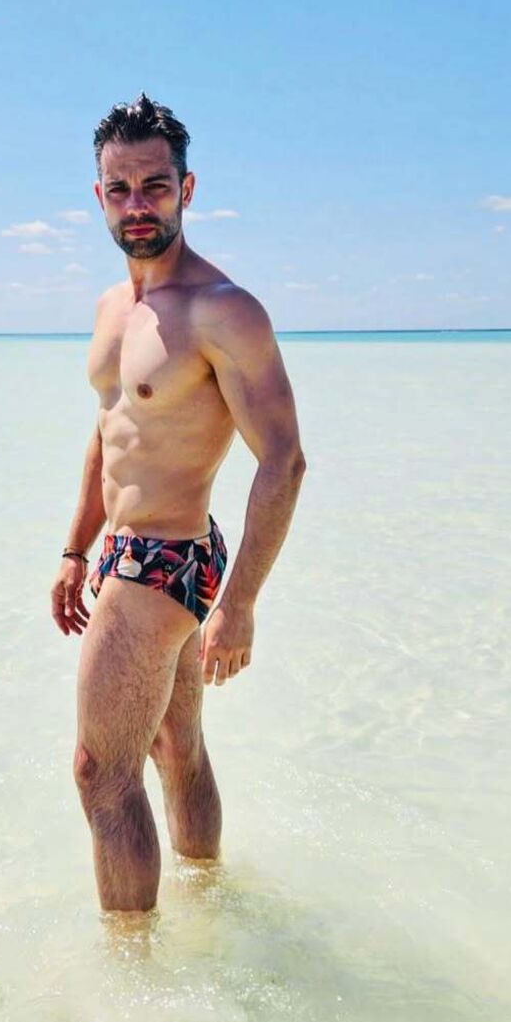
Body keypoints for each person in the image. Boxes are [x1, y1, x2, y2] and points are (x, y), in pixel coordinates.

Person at [50, 92, 307, 914]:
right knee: (174, 746)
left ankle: (132, 966)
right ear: (98, 196)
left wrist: (242, 605)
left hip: (165, 561)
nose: (137, 205)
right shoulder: (111, 309)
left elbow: (284, 460)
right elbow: (109, 433)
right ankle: (211, 900)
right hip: (137, 553)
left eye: (155, 186)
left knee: (100, 772)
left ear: (186, 190)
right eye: (119, 188)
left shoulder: (221, 309)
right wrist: (75, 548)